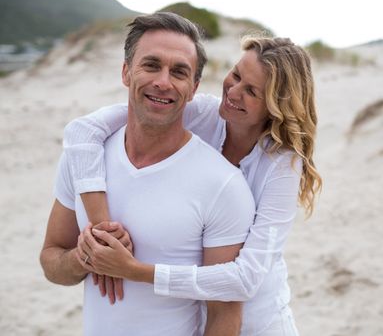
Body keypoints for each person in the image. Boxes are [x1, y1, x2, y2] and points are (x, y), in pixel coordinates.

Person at [64, 33, 322, 335]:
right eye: (236, 75)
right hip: (202, 319)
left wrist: (134, 271)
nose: (233, 91)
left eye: (251, 91)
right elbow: (82, 131)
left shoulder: (282, 166)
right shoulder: (203, 114)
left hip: (260, 322)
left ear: (275, 106)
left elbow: (246, 279)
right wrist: (104, 231)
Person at [40, 12, 256, 336]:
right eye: (151, 65)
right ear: (126, 72)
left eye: (179, 72)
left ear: (194, 87)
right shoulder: (85, 159)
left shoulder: (223, 184)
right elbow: (51, 260)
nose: (163, 82)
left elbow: (224, 313)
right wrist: (84, 257)